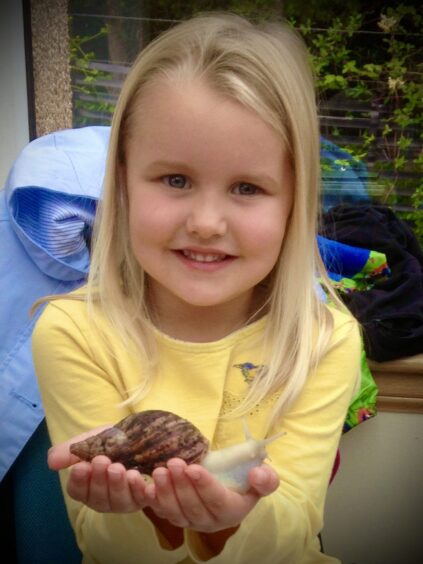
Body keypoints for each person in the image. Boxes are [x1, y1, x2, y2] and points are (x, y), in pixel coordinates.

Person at [32, 12, 361, 564]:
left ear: (294, 202)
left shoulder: (326, 340)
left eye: (247, 187)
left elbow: (297, 523)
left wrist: (235, 523)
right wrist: (138, 513)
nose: (207, 222)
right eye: (176, 180)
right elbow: (103, 546)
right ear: (122, 186)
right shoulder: (73, 332)